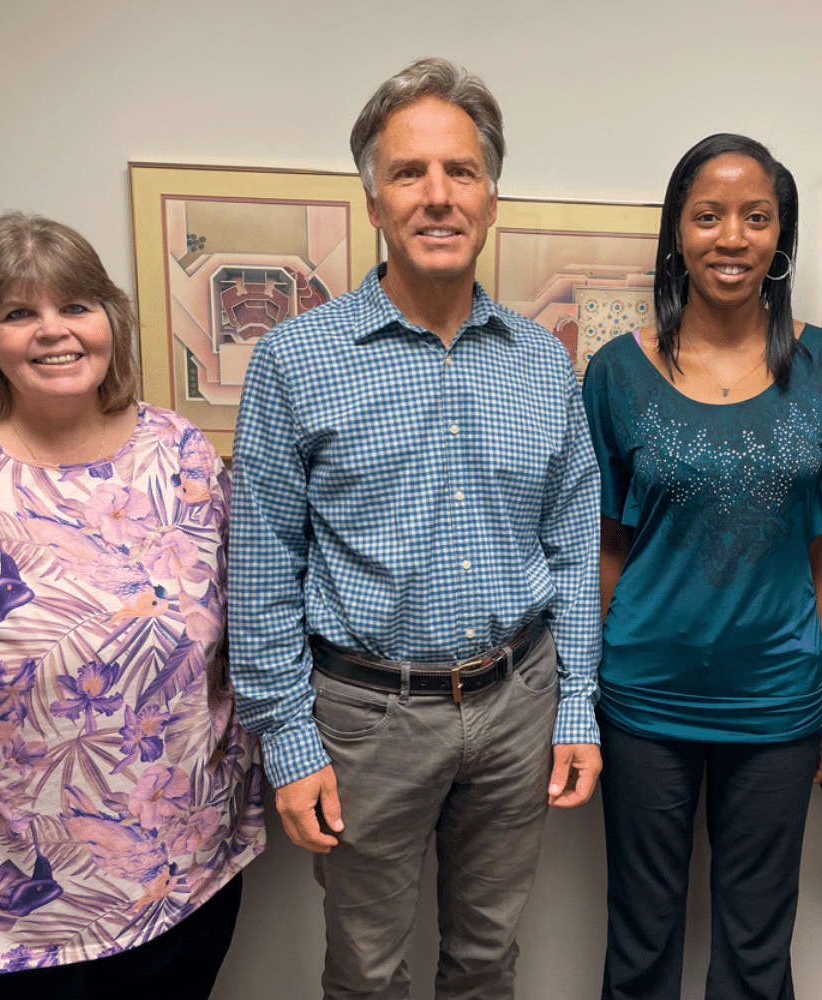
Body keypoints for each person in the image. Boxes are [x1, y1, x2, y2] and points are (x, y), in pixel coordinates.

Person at [228, 57, 601, 1000]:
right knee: (368, 969)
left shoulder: (541, 365)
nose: (438, 197)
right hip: (363, 716)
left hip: (518, 700)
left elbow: (572, 540)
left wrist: (576, 704)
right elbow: (263, 562)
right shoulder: (295, 360)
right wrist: (287, 739)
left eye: (461, 172)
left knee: (487, 961)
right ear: (375, 204)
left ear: (491, 197)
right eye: (409, 174)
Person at [0, 213, 264, 996]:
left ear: (109, 320)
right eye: (19, 313)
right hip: (17, 907)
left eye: (75, 306)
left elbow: (244, 621)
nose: (54, 332)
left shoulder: (179, 452)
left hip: (188, 877)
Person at [582, 133, 822, 1000]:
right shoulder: (616, 372)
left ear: (781, 237)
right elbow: (606, 546)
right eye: (708, 217)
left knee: (756, 943)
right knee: (641, 932)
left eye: (756, 217)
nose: (732, 237)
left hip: (779, 699)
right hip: (645, 697)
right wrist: (599, 680)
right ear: (677, 232)